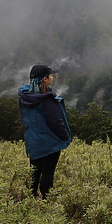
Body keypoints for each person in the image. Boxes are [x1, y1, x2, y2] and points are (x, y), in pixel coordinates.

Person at [18, 64, 72, 198]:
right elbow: (55, 122)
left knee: (34, 170)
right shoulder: (48, 100)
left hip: (33, 140)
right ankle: (46, 200)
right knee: (48, 172)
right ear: (44, 79)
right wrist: (65, 136)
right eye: (51, 75)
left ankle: (30, 197)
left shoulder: (25, 97)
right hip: (50, 141)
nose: (52, 77)